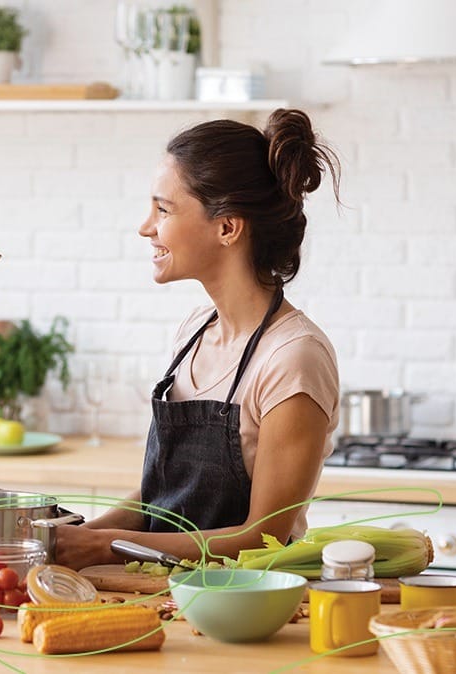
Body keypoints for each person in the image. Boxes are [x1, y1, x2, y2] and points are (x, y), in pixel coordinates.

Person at [55, 109, 341, 568]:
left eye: (163, 210)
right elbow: (161, 498)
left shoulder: (293, 359)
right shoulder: (194, 331)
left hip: (238, 600)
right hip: (157, 589)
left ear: (227, 228)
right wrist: (78, 536)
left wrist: (104, 546)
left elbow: (262, 537)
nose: (145, 227)